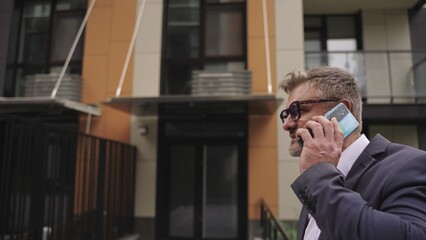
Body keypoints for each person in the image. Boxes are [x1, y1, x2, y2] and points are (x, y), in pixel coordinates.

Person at [279, 66, 426, 240]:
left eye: (298, 110)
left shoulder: (409, 165)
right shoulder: (316, 186)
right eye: (286, 114)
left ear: (341, 112)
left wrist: (320, 174)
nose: (286, 124)